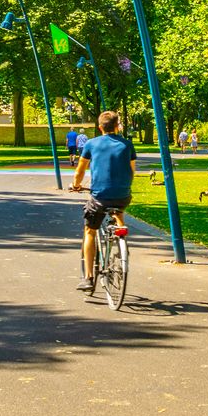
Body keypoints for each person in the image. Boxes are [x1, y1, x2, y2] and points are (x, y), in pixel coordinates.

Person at [70, 111, 136, 292]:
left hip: (100, 197)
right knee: (118, 209)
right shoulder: (128, 145)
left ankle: (88, 277)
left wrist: (76, 185)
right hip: (123, 195)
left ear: (100, 127)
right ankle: (122, 241)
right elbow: (132, 171)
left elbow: (80, 171)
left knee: (90, 231)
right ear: (118, 126)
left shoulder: (91, 144)